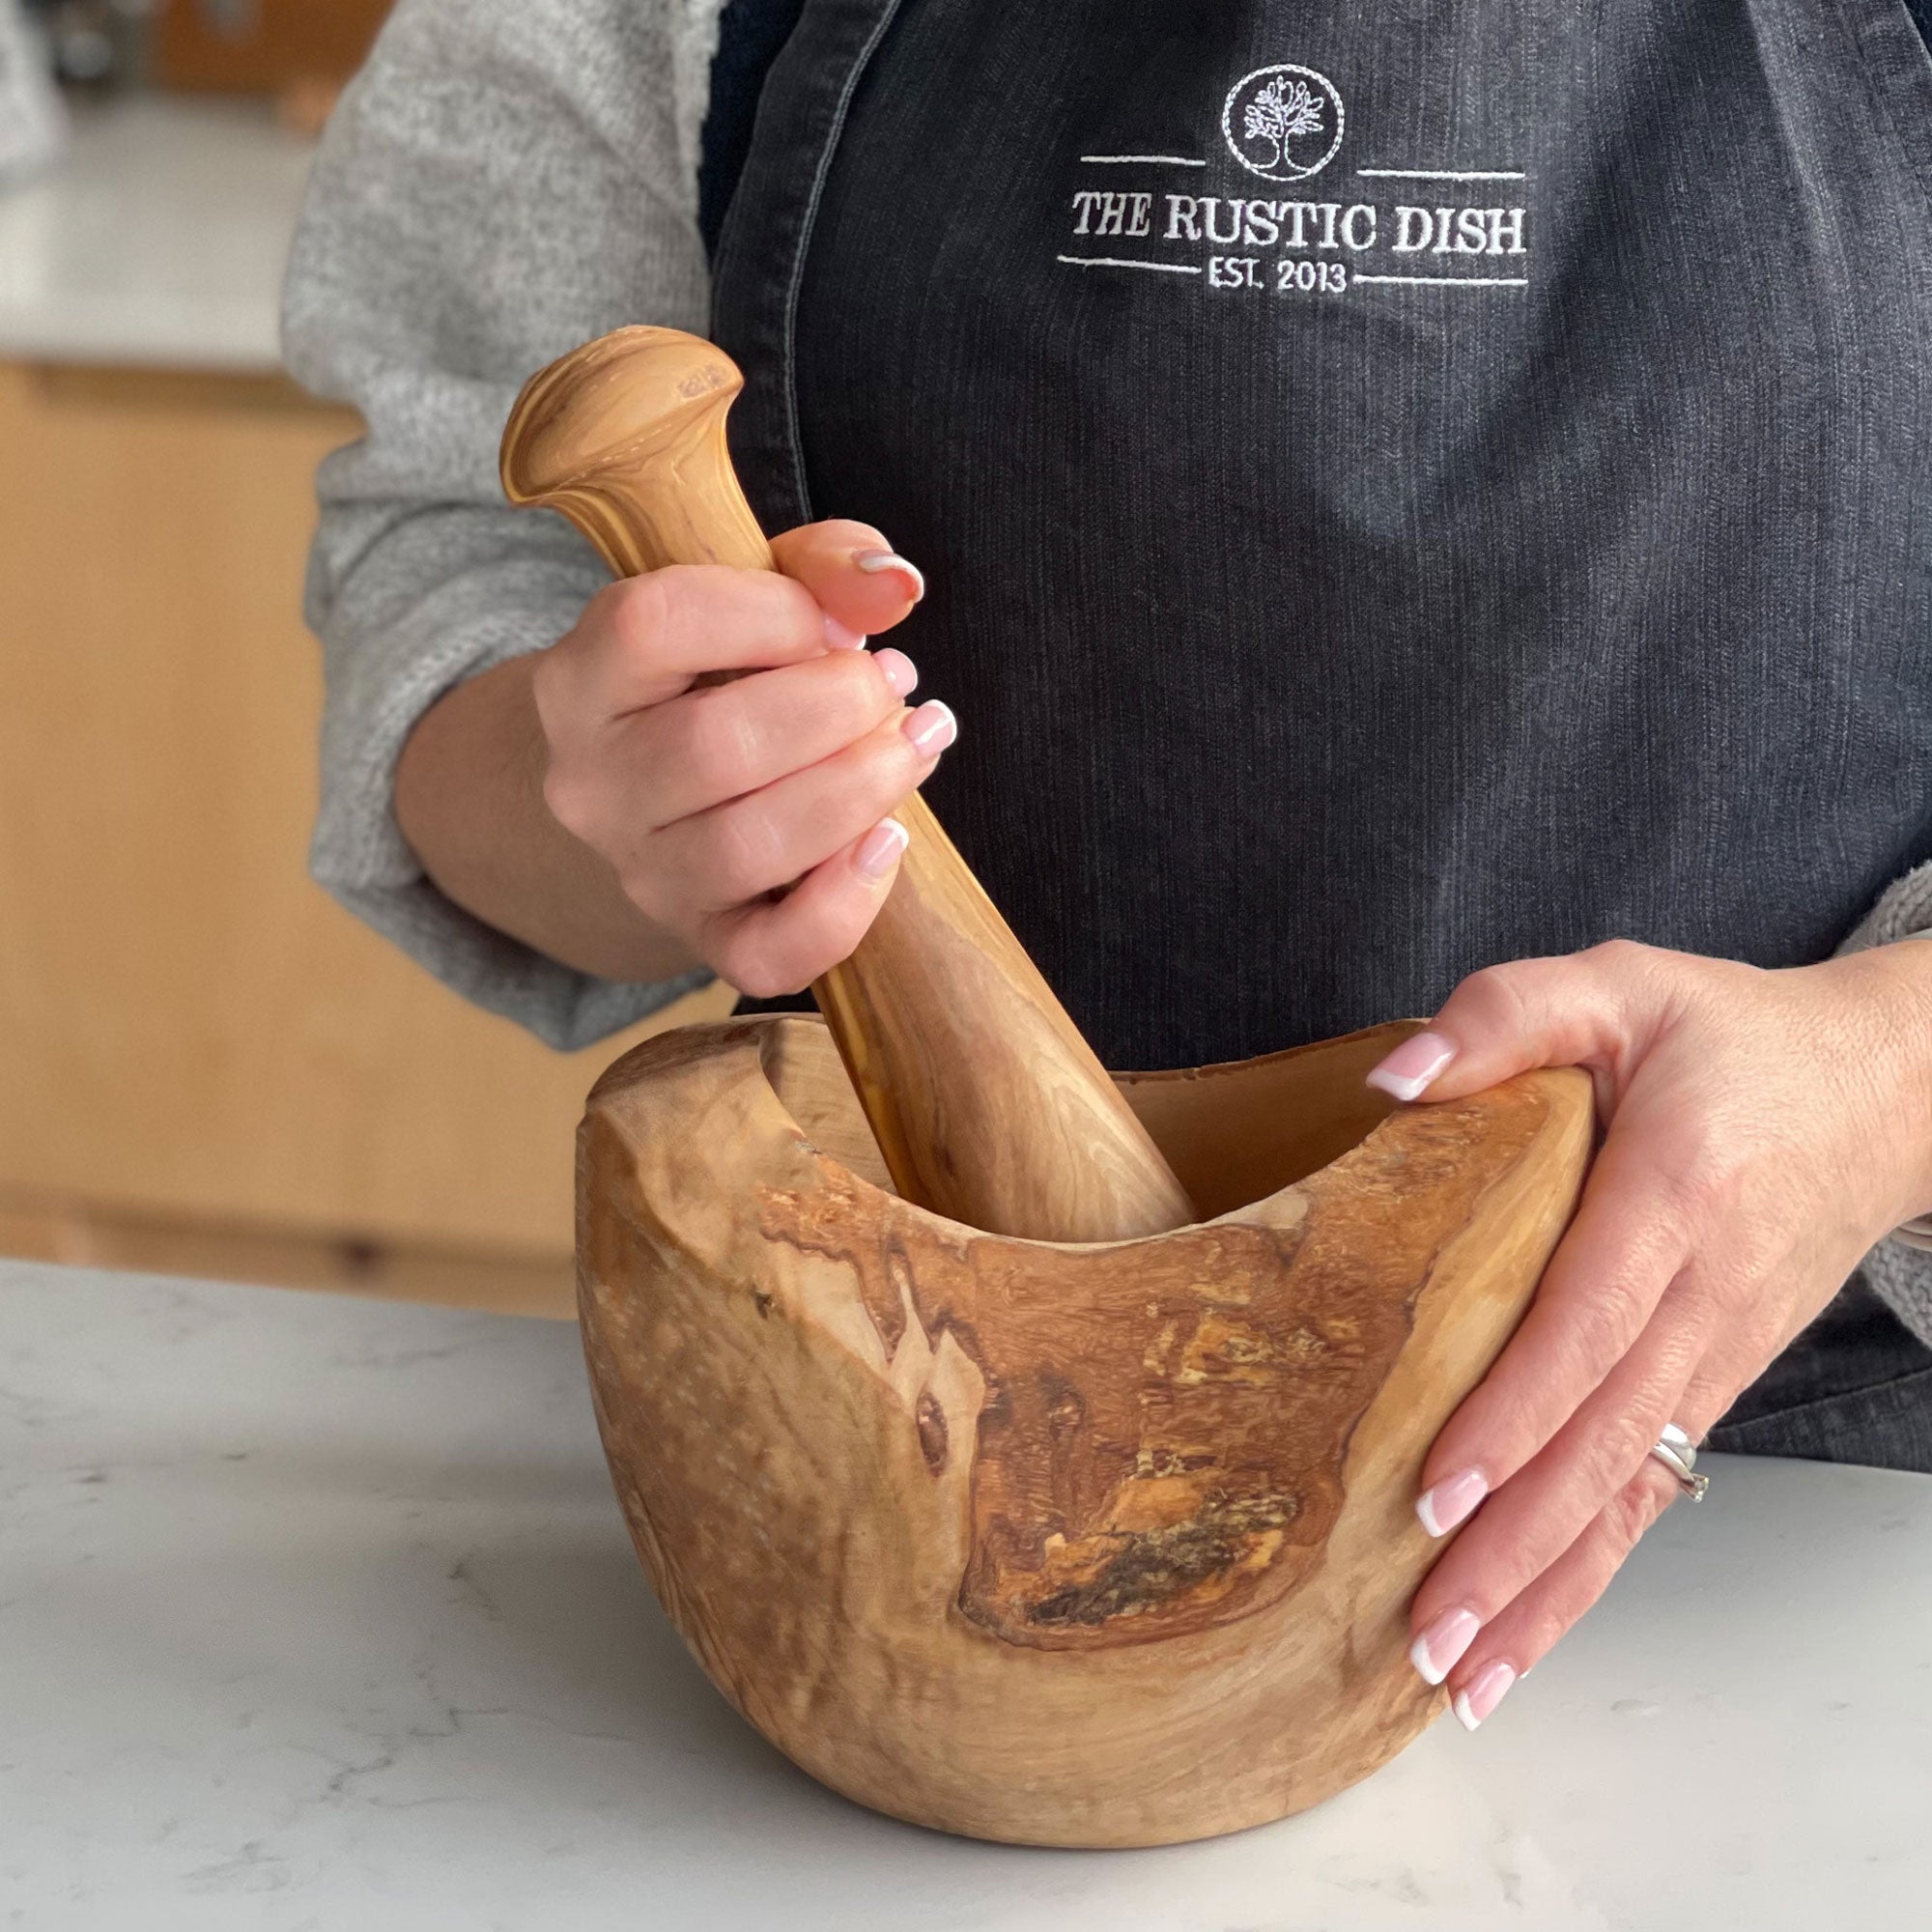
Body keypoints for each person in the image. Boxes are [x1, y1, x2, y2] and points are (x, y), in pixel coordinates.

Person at [284, 0, 1932, 1736]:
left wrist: (1889, 1078)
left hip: (1812, 1587)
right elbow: (455, 590)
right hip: (906, 1531)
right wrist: (646, 810)